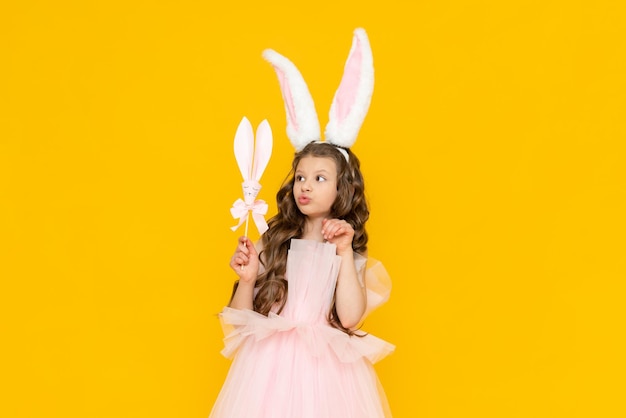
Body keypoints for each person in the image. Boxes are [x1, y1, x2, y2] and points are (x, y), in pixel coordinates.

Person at [209, 28, 394, 418]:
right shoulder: (273, 241)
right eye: (300, 177)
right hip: (265, 372)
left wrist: (343, 252)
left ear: (344, 186)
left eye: (320, 178)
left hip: (328, 377)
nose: (305, 186)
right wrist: (246, 279)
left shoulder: (344, 245)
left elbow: (349, 317)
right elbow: (241, 325)